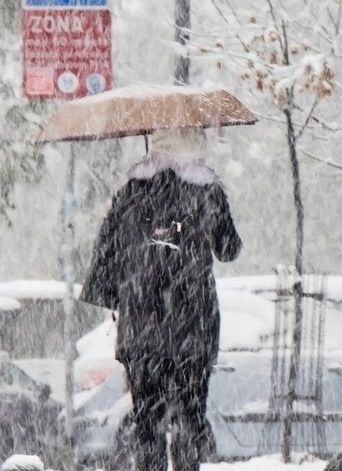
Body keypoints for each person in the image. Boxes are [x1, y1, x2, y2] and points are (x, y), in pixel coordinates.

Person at [80, 127, 242, 471]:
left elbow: (105, 258)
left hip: (142, 332)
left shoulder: (131, 193)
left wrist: (122, 295)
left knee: (147, 425)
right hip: (193, 331)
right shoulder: (206, 191)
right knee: (189, 421)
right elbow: (229, 250)